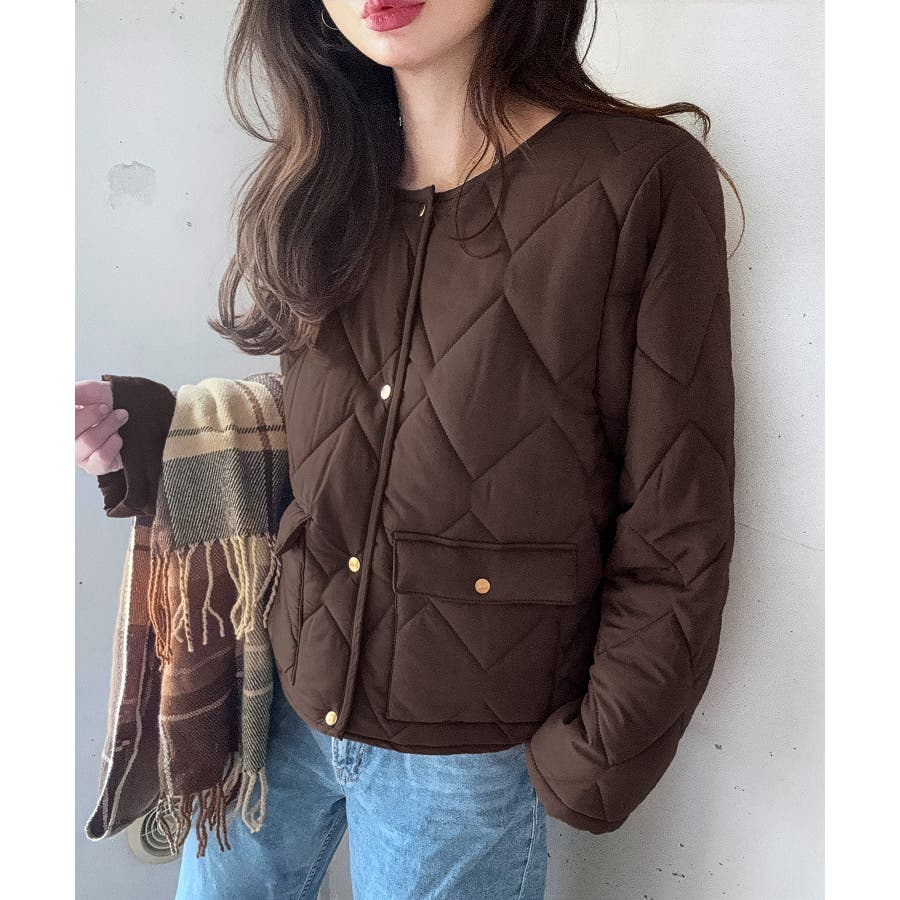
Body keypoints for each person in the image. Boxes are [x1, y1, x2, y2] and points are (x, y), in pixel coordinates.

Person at [75, 1, 741, 898]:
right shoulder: (324, 177)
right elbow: (340, 432)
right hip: (279, 698)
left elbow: (675, 511)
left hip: (462, 759)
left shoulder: (638, 180)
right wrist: (160, 438)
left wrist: (600, 753)